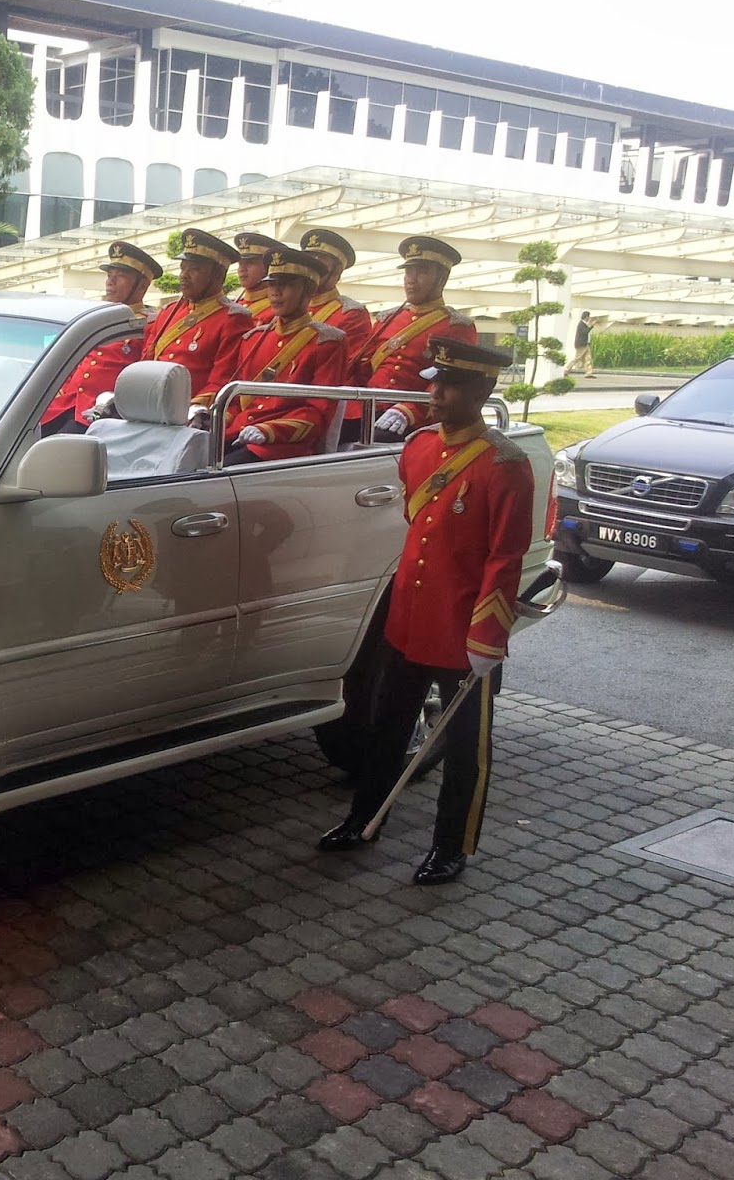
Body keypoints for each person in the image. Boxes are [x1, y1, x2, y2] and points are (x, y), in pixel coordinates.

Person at [317, 338, 533, 886]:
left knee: (465, 747)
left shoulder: (505, 464)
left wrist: (487, 635)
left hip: (464, 628)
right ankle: (365, 818)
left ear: (483, 390)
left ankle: (452, 845)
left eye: (451, 385)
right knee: (386, 727)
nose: (434, 394)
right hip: (410, 616)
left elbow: (505, 556)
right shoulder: (416, 448)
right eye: (434, 381)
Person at [209, 248, 347, 463]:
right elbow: (237, 400)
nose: (275, 292)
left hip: (282, 445)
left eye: (287, 284)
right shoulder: (253, 339)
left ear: (309, 290)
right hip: (238, 433)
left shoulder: (326, 342)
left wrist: (270, 430)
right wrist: (216, 418)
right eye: (272, 284)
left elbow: (318, 412)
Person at [348, 235, 476, 443]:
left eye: (422, 271)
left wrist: (411, 410)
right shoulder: (387, 319)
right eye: (408, 271)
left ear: (442, 277)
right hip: (367, 408)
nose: (411, 279)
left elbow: (452, 381)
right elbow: (359, 369)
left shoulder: (457, 326)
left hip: (409, 417)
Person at [41, 241, 162, 435]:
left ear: (142, 285)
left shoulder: (148, 324)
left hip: (99, 414)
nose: (110, 282)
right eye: (109, 275)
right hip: (64, 405)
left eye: (120, 276)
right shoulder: (96, 317)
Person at [142, 228, 250, 403]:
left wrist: (192, 409)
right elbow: (145, 364)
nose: (184, 276)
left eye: (195, 269)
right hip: (150, 405)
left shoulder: (233, 319)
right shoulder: (168, 313)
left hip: (189, 415)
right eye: (183, 268)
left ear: (218, 275)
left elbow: (221, 382)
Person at [300, 228, 373, 371]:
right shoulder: (291, 304)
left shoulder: (351, 314)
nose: (312, 266)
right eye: (309, 259)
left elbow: (347, 367)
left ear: (337, 270)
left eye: (320, 260)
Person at [232, 232, 285, 321]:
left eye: (249, 263)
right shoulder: (237, 304)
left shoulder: (276, 311)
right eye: (240, 264)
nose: (242, 269)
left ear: (267, 268)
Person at [571, 311, 596, 379]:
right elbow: (585, 332)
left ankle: (589, 373)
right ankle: (567, 369)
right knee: (577, 358)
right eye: (589, 317)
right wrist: (592, 326)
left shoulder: (584, 324)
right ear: (586, 317)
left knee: (588, 358)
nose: (589, 318)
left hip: (585, 344)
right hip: (581, 345)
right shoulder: (581, 324)